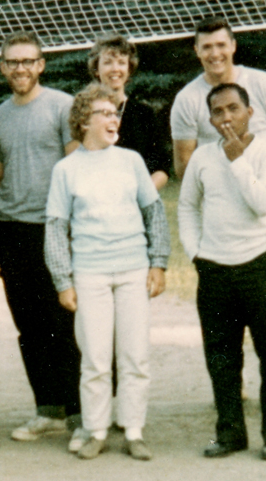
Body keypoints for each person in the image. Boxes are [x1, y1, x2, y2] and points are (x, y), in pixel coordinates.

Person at [170, 15, 266, 417]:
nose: (214, 54)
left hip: (263, 211)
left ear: (233, 46)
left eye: (220, 45)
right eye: (206, 47)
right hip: (218, 222)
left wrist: (265, 180)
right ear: (196, 52)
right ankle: (237, 389)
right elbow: (184, 168)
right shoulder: (187, 100)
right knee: (225, 307)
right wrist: (220, 181)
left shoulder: (260, 83)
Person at [45, 83, 170, 461]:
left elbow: (154, 213)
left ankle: (133, 429)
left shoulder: (131, 160)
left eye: (116, 113)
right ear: (84, 121)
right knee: (96, 358)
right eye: (105, 113)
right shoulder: (66, 170)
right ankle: (96, 430)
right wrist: (63, 281)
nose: (114, 119)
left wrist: (158, 262)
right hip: (90, 274)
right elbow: (55, 227)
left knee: (135, 354)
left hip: (133, 270)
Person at [177, 83, 266, 461]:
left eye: (233, 109)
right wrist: (196, 252)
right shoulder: (202, 158)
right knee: (221, 356)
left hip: (259, 262)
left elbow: (262, 205)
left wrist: (237, 160)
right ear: (210, 119)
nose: (226, 117)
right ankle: (230, 433)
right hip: (215, 268)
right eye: (218, 112)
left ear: (249, 112)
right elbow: (187, 206)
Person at [0, 31, 84, 448]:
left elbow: (78, 168)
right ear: (3, 67)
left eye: (28, 61)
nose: (20, 68)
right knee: (28, 325)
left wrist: (73, 230)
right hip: (12, 230)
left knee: (64, 322)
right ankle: (47, 409)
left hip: (54, 229)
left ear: (41, 65)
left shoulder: (61, 106)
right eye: (12, 62)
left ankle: (81, 414)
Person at [87, 33, 169, 190]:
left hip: (137, 204)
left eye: (121, 62)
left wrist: (140, 196)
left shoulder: (145, 114)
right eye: (108, 62)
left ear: (129, 69)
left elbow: (162, 167)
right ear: (97, 69)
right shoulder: (86, 113)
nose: (115, 69)